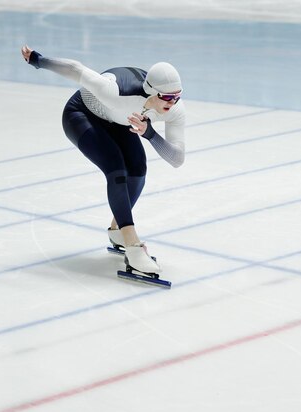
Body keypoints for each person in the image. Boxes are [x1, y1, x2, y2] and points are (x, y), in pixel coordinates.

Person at [21, 46, 186, 275]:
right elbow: (75, 69)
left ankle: (118, 230)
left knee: (138, 168)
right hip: (82, 114)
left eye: (177, 96)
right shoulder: (117, 92)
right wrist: (38, 60)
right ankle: (132, 245)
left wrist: (150, 134)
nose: (173, 102)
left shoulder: (176, 109)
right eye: (168, 97)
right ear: (151, 92)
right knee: (116, 168)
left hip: (118, 120)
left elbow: (177, 159)